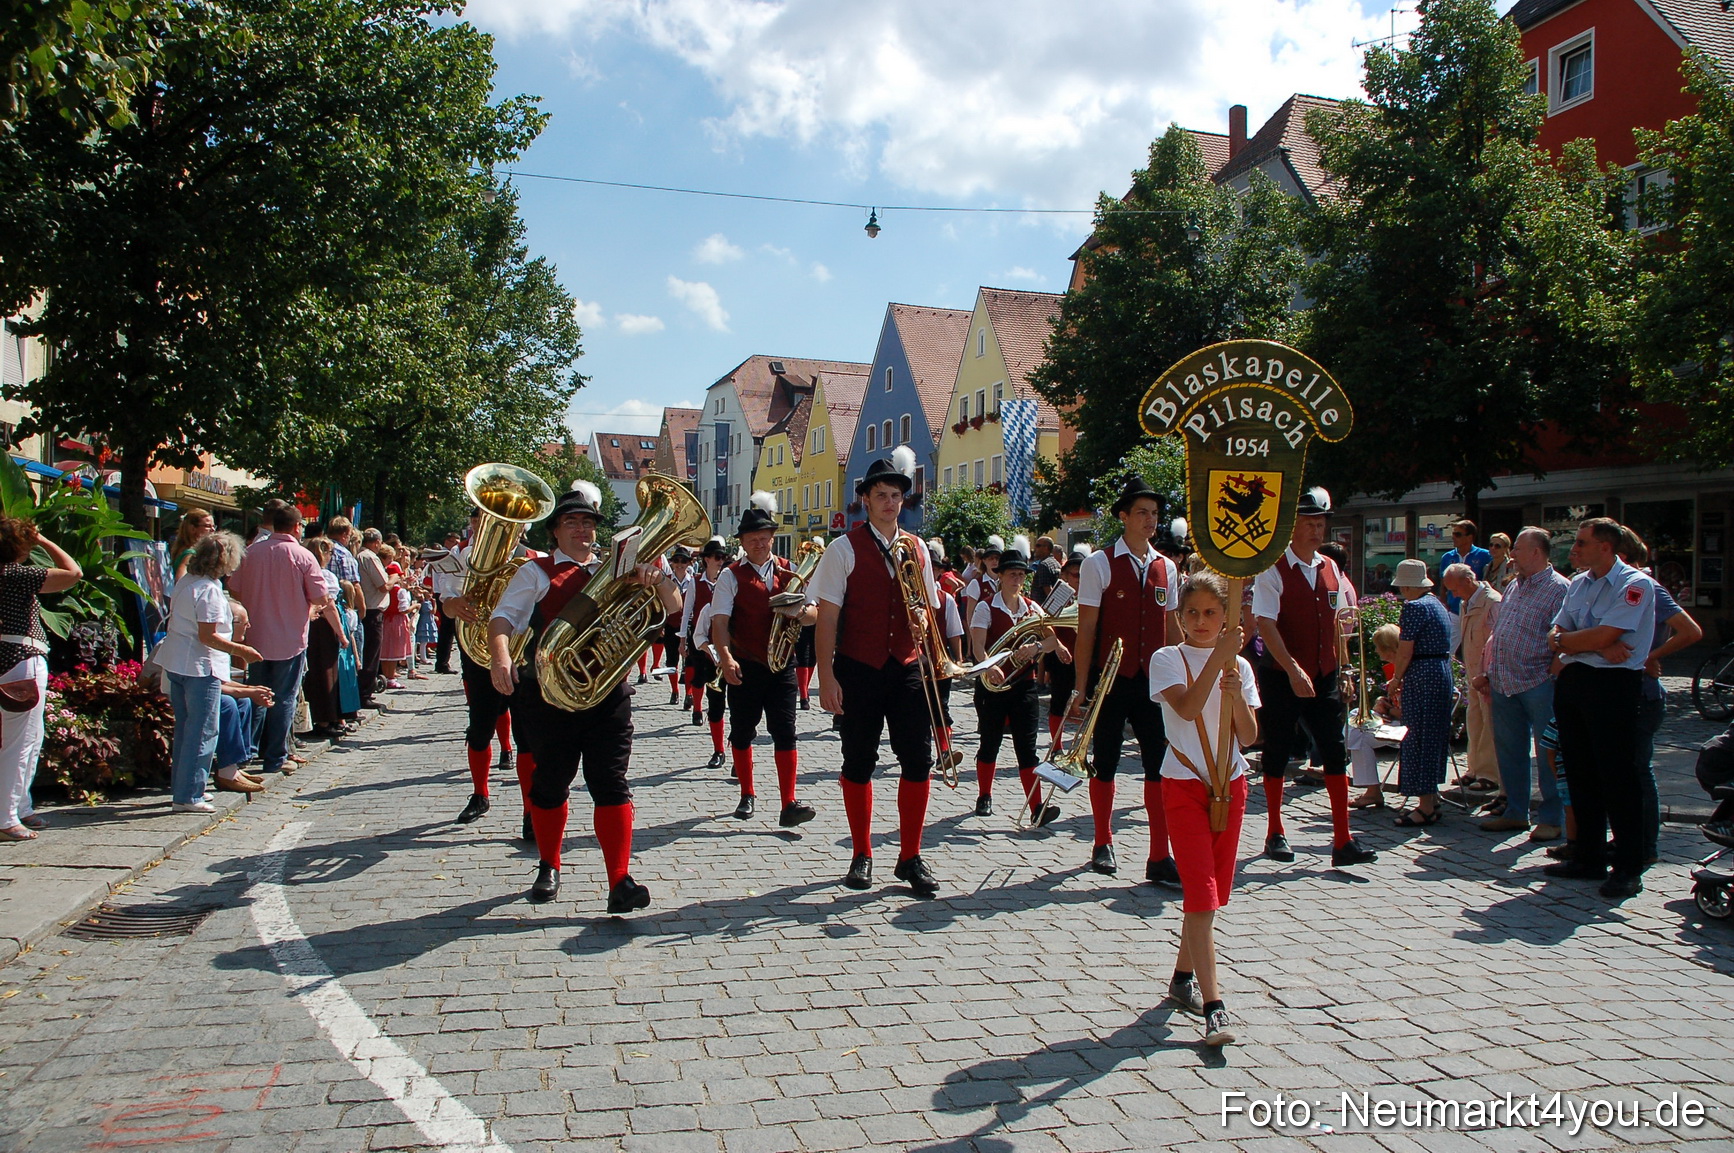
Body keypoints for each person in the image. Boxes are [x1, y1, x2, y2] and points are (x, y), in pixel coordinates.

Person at [489, 480, 683, 912]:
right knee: (550, 785)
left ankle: (620, 880)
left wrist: (657, 579)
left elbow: (672, 612)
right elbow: (502, 620)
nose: (582, 530)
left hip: (607, 694)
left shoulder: (616, 566)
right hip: (551, 695)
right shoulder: (535, 572)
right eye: (571, 522)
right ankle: (549, 863)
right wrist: (501, 659)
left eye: (588, 523)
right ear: (555, 531)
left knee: (611, 784)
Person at [808, 448, 945, 898]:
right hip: (859, 667)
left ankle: (910, 855)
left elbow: (926, 606)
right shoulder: (842, 549)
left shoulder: (918, 548)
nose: (889, 502)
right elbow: (827, 617)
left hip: (905, 666)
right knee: (859, 761)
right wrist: (825, 678)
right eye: (881, 494)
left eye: (896, 495)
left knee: (918, 761)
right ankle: (862, 852)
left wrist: (922, 620)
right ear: (865, 499)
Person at [1150, 571, 1259, 1048]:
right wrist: (1218, 659)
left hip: (1230, 783)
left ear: (1226, 617)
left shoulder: (1241, 667)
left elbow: (1250, 736)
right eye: (1191, 612)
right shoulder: (1166, 658)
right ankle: (1214, 1007)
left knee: (1212, 896)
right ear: (1179, 616)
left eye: (1211, 613)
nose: (1200, 621)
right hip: (1183, 783)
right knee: (1200, 894)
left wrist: (1236, 696)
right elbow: (1190, 709)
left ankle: (1180, 979)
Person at [1250, 487, 1377, 868]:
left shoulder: (1331, 568)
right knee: (1277, 750)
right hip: (1281, 674)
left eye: (1320, 522)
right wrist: (1291, 669)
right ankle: (1275, 831)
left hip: (1324, 673)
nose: (1316, 530)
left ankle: (1343, 839)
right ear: (1292, 527)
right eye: (1308, 523)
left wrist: (1345, 669)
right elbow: (1265, 625)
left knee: (1334, 751)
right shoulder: (1273, 569)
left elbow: (1343, 624)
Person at [1069, 477, 1182, 881]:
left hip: (1154, 680)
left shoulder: (1166, 567)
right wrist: (1081, 687)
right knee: (1106, 761)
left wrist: (1193, 671)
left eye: (1154, 514)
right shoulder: (1100, 563)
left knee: (1158, 764)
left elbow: (1172, 627)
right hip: (1112, 678)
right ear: (1123, 516)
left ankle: (1158, 855)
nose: (1150, 521)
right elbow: (1087, 630)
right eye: (1142, 513)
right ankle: (1102, 841)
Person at [1543, 517, 1656, 900]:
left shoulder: (1635, 584)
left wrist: (1576, 642)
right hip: (1576, 683)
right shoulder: (1578, 583)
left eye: (1582, 542)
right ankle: (1588, 856)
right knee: (1580, 772)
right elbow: (1554, 634)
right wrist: (1582, 643)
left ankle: (1627, 866)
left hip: (1614, 686)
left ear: (1605, 547)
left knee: (1618, 778)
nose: (1574, 549)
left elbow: (1608, 636)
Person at [712, 492, 818, 826]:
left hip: (782, 663)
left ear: (772, 537)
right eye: (752, 538)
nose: (759, 543)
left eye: (764, 537)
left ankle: (789, 802)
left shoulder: (791, 572)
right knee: (743, 732)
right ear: (743, 542)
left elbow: (816, 612)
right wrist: (726, 658)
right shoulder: (730, 576)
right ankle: (747, 793)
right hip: (746, 664)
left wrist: (801, 612)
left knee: (786, 730)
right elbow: (719, 622)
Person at [156, 532, 264, 812]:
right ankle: (189, 794)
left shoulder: (185, 583)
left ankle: (185, 787)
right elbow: (208, 636)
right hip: (200, 667)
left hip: (177, 663)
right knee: (202, 731)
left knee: (186, 729)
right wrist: (242, 652)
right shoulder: (209, 590)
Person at [1475, 527, 1569, 839]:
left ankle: (1552, 818)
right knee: (1509, 751)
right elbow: (1501, 631)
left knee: (1547, 754)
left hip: (1539, 681)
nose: (1511, 554)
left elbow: (1564, 638)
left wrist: (1555, 673)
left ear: (1537, 553)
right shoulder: (1515, 586)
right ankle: (1516, 811)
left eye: (1517, 549)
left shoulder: (1560, 589)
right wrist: (1489, 671)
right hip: (1504, 681)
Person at [1618, 528, 1702, 868]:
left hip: (1643, 695)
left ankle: (1646, 845)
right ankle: (1626, 839)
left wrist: (1651, 656)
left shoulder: (1647, 587)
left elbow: (1691, 631)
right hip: (1622, 692)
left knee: (1638, 770)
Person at [228, 504, 329, 777]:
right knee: (284, 698)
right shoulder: (303, 555)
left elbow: (234, 588)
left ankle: (246, 752)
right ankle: (274, 757)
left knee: (256, 694)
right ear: (297, 527)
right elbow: (321, 597)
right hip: (290, 637)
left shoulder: (251, 553)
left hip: (255, 636)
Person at [440, 526, 528, 833]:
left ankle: (531, 810)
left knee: (527, 735)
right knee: (479, 728)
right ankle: (479, 794)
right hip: (478, 654)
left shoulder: (532, 560)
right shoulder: (463, 558)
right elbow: (446, 601)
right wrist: (454, 605)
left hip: (520, 654)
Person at [970, 539, 1064, 820]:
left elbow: (1051, 641)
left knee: (1027, 747)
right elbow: (977, 647)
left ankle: (1036, 807)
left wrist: (1035, 648)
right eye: (1012, 574)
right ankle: (984, 795)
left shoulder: (1033, 609)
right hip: (993, 685)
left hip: (1023, 684)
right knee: (990, 742)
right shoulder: (986, 607)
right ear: (1000, 576)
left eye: (1021, 575)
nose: (1017, 579)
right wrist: (989, 666)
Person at [0, 520, 80, 839]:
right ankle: (7, 816)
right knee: (21, 743)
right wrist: (44, 541)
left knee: (24, 740)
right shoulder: (17, 575)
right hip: (22, 659)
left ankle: (20, 806)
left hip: (6, 658)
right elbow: (72, 573)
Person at [1387, 559, 1455, 827]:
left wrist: (1396, 678)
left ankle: (1425, 805)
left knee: (1418, 736)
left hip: (1422, 674)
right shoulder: (1437, 604)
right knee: (1433, 735)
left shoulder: (1414, 607)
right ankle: (1432, 798)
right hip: (1440, 670)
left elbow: (1405, 649)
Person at [1443, 562, 1501, 793]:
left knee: (1489, 722)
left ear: (1468, 582)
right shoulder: (1468, 602)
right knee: (1474, 718)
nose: (1453, 595)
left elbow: (1497, 640)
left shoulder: (1492, 602)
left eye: (1455, 589)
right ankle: (1474, 769)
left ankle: (1490, 774)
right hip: (1473, 671)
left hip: (1487, 674)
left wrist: (1487, 674)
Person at [681, 537, 730, 766]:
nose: (720, 562)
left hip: (737, 656)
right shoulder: (696, 582)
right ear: (707, 560)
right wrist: (685, 639)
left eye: (723, 558)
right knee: (708, 689)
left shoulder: (733, 592)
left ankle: (739, 755)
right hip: (709, 650)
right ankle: (718, 749)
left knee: (742, 710)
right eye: (717, 558)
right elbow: (688, 612)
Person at [298, 536, 352, 741]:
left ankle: (325, 717)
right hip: (323, 626)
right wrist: (341, 634)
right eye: (328, 552)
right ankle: (326, 719)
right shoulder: (324, 575)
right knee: (326, 672)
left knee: (315, 672)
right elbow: (329, 606)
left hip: (309, 624)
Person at [1345, 624, 1403, 809]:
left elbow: (1407, 711)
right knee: (1355, 719)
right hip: (1395, 720)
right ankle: (1371, 790)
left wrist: (1387, 710)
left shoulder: (1405, 669)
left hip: (1405, 725)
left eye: (1379, 647)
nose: (1376, 651)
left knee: (1357, 734)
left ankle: (1372, 791)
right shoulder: (1394, 667)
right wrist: (1382, 704)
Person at [356, 528, 391, 706]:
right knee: (370, 653)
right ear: (377, 542)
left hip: (366, 609)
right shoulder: (369, 557)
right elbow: (383, 585)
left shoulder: (359, 554)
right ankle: (365, 693)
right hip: (371, 610)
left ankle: (365, 690)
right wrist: (394, 578)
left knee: (367, 651)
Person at [429, 529, 465, 674]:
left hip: (444, 592)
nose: (457, 545)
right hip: (445, 593)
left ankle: (443, 662)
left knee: (448, 630)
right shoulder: (444, 555)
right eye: (455, 542)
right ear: (448, 541)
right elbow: (444, 577)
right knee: (449, 630)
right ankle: (442, 663)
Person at [662, 548, 693, 705]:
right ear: (672, 563)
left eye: (684, 561)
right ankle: (674, 690)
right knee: (671, 661)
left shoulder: (694, 581)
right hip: (671, 625)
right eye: (677, 561)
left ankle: (689, 693)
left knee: (689, 662)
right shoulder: (665, 580)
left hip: (689, 627)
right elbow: (659, 606)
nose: (680, 564)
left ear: (689, 563)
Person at [1439, 520, 1491, 613]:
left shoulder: (1485, 555)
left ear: (1469, 537)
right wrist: (1443, 604)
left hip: (1477, 608)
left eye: (1457, 534)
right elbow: (1443, 585)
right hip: (1453, 610)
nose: (1453, 537)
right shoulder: (1447, 557)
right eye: (1453, 534)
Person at [170, 510, 214, 582]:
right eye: (207, 526)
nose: (213, 529)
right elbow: (180, 579)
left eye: (213, 526)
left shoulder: (183, 548)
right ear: (193, 529)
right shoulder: (190, 553)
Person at [1028, 535, 1062, 603]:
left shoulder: (1044, 565)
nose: (1034, 548)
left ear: (1046, 548)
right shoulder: (1056, 563)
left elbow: (1048, 590)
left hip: (1042, 608)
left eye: (1038, 545)